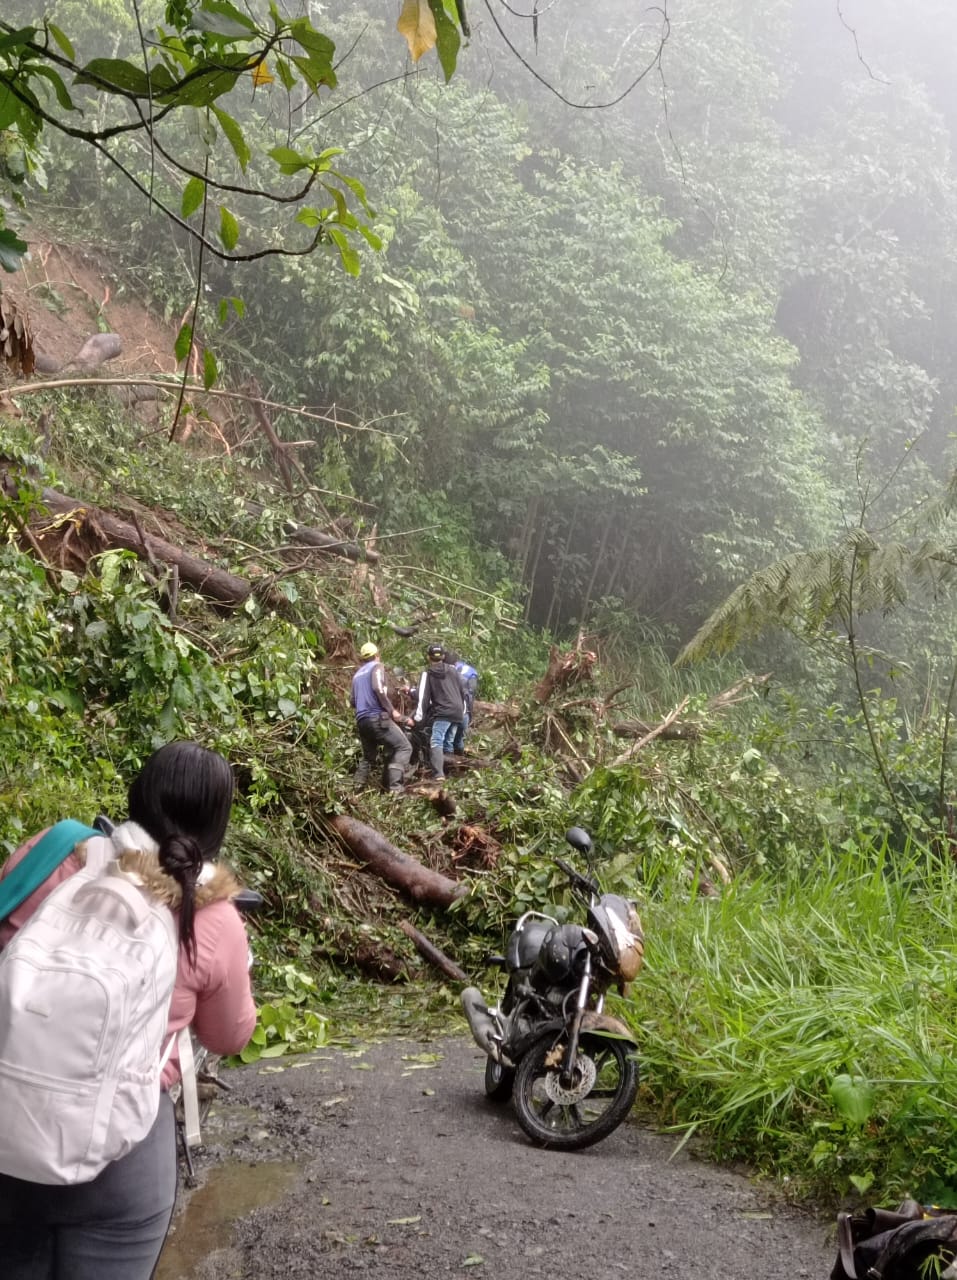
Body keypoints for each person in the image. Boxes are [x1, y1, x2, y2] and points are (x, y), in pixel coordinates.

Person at [0, 740, 258, 1280]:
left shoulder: (54, 850)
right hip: (121, 1154)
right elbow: (229, 1035)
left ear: (137, 796)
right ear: (217, 824)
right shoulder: (212, 917)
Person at [351, 641, 413, 793]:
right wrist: (392, 711)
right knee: (404, 747)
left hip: (362, 721)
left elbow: (352, 701)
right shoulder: (377, 666)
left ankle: (354, 791)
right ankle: (396, 789)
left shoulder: (357, 675)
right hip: (376, 718)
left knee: (368, 757)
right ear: (377, 655)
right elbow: (378, 688)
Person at [414, 642, 467, 781]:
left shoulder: (427, 673)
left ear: (428, 657)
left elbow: (423, 697)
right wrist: (462, 711)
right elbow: (462, 691)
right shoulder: (453, 670)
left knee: (436, 740)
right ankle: (453, 772)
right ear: (443, 656)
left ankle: (438, 774)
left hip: (444, 712)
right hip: (458, 711)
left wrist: (417, 719)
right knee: (448, 741)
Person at [442, 649, 478, 755]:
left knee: (448, 739)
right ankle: (461, 759)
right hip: (465, 711)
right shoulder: (469, 670)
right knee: (458, 739)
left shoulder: (448, 670)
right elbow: (470, 694)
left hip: (455, 711)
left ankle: (450, 760)